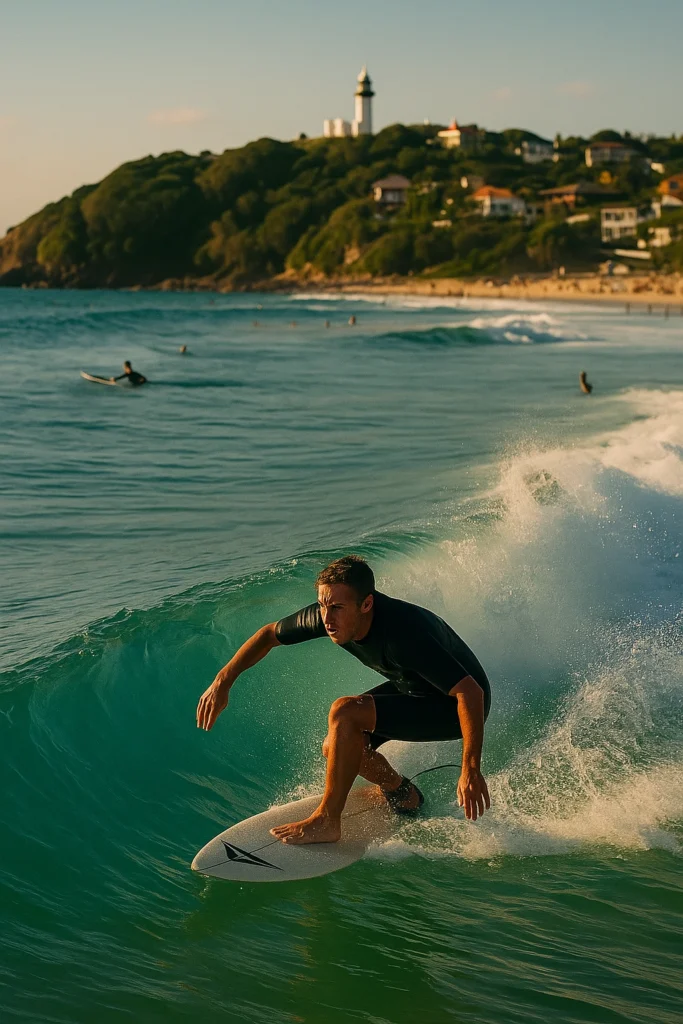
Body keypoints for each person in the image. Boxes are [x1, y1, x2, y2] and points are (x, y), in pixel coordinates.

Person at [196, 555, 491, 845]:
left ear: (366, 604)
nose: (327, 618)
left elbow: (470, 692)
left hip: (455, 705)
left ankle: (327, 821)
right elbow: (268, 635)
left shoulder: (405, 634)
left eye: (336, 607)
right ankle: (403, 794)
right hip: (412, 686)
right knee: (337, 747)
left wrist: (471, 769)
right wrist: (222, 682)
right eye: (323, 605)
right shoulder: (329, 614)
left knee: (344, 712)